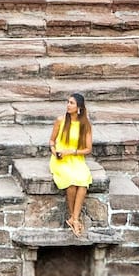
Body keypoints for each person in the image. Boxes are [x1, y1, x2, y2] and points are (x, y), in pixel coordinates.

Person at [49, 93, 94, 236]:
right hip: (61, 160)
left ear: (79, 107)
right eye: (68, 102)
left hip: (76, 158)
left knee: (82, 181)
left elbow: (88, 149)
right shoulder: (60, 120)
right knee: (70, 181)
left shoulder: (85, 125)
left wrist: (72, 152)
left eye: (72, 103)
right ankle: (75, 219)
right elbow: (51, 141)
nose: (68, 105)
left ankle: (74, 218)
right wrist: (55, 151)